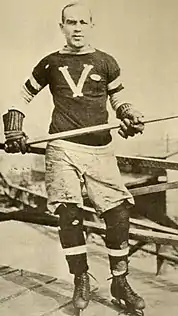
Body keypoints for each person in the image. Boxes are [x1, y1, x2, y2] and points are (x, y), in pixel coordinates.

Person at [3, 1, 145, 313]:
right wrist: (14, 129)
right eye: (70, 22)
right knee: (69, 213)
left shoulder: (106, 61)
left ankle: (119, 281)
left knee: (118, 213)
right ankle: (81, 279)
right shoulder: (50, 63)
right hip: (62, 147)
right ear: (62, 27)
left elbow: (118, 97)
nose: (77, 28)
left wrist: (128, 113)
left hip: (99, 149)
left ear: (92, 25)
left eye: (83, 22)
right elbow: (20, 97)